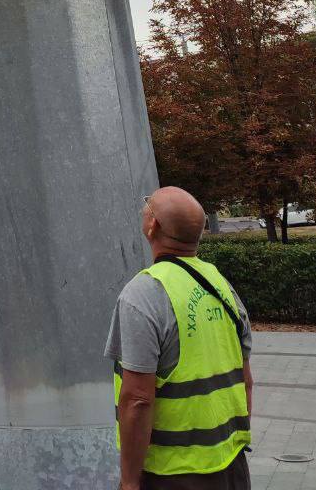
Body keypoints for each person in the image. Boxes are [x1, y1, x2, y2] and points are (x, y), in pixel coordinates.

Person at [106, 187, 253, 490]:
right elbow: (246, 379)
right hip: (232, 467)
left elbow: (137, 400)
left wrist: (130, 483)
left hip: (173, 475)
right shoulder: (221, 284)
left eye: (148, 207)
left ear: (153, 226)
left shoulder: (144, 294)